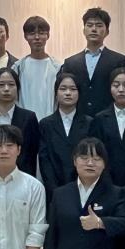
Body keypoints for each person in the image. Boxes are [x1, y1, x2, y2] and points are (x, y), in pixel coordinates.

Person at [61, 8, 125, 117]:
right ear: (84, 30)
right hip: (78, 119)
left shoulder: (119, 60)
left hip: (108, 119)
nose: (94, 29)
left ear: (107, 32)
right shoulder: (70, 62)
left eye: (99, 25)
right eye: (89, 25)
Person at [0, 68, 41, 175]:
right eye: (1, 85)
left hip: (22, 176)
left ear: (17, 88)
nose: (6, 89)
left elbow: (33, 151)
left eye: (11, 84)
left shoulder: (29, 117)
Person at [39, 73, 93, 202]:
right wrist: (54, 190)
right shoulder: (45, 124)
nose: (68, 93)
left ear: (79, 93)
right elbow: (44, 160)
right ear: (56, 93)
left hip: (84, 188)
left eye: (73, 89)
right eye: (63, 89)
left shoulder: (90, 123)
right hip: (54, 191)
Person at [12, 16, 62, 121]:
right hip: (25, 123)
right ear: (25, 36)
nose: (37, 37)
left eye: (41, 33)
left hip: (51, 123)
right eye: (32, 33)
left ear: (48, 35)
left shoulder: (58, 67)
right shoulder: (18, 67)